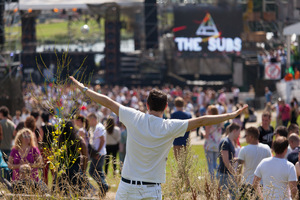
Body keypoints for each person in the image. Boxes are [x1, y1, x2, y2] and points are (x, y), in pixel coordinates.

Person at [69, 76, 247, 200]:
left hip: (127, 187)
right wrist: (230, 115)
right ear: (166, 106)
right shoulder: (170, 126)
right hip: (152, 189)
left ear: (147, 105)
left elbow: (106, 101)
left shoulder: (134, 117)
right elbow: (202, 120)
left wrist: (83, 88)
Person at [237, 127, 272, 197]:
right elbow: (270, 166)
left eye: (246, 136)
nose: (245, 137)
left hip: (247, 184)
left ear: (251, 137)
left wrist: (238, 182)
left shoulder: (243, 150)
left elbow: (239, 169)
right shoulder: (267, 148)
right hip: (262, 184)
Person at [57, 121, 88, 195]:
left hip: (63, 169)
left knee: (64, 194)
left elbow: (55, 156)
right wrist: (83, 169)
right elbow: (85, 157)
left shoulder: (59, 141)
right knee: (78, 194)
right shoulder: (79, 140)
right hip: (76, 169)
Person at [87, 112, 109, 194]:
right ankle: (103, 187)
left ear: (93, 119)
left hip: (99, 153)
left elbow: (102, 140)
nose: (88, 122)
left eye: (89, 120)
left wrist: (98, 152)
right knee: (99, 171)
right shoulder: (98, 127)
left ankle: (104, 185)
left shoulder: (99, 127)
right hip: (100, 152)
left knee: (92, 171)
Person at [217, 123, 241, 199]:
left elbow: (229, 158)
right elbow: (226, 161)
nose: (239, 134)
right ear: (234, 131)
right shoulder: (225, 142)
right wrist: (234, 173)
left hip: (228, 174)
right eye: (239, 132)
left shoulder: (231, 142)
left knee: (234, 196)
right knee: (224, 197)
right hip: (224, 174)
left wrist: (238, 159)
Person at [204, 105, 222, 177]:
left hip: (209, 145)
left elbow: (207, 135)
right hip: (217, 145)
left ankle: (212, 181)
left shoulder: (208, 123)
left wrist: (202, 132)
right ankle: (220, 175)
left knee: (210, 165)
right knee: (215, 163)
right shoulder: (219, 122)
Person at [171, 97, 192, 161]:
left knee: (178, 161)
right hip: (186, 139)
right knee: (184, 161)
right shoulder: (188, 114)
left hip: (177, 140)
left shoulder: (174, 114)